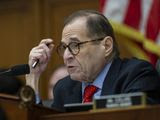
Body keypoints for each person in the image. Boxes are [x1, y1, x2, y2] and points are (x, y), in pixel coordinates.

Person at [26, 10, 160, 111]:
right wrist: (33, 76)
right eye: (64, 47)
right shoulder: (64, 88)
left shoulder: (135, 75)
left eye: (75, 45)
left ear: (106, 46)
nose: (67, 55)